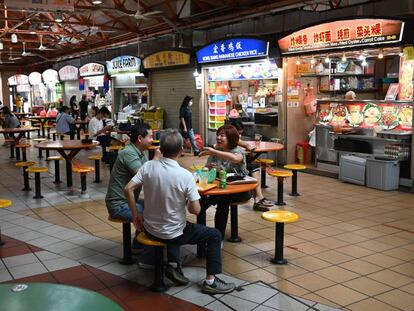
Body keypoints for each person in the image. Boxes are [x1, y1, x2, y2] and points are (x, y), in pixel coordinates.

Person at [124, 129, 235, 294]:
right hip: (174, 233)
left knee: (176, 224)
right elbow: (196, 210)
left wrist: (135, 215)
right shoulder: (185, 176)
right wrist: (189, 201)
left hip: (149, 229)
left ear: (160, 148)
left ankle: (173, 265)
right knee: (214, 235)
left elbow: (128, 189)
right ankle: (211, 281)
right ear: (181, 150)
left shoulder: (148, 166)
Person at [199, 124, 252, 239]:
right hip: (221, 188)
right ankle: (210, 235)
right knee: (217, 198)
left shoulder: (238, 151)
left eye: (222, 136)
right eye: (218, 135)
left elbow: (235, 158)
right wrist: (208, 167)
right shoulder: (216, 151)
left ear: (231, 138)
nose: (218, 137)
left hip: (240, 191)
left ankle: (218, 238)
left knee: (222, 201)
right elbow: (206, 171)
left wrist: (214, 152)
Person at [227, 119, 273, 211]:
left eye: (240, 134)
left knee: (254, 166)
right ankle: (259, 198)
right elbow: (238, 150)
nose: (239, 136)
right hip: (229, 165)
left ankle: (258, 199)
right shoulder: (229, 137)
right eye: (238, 133)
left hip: (235, 163)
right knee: (254, 167)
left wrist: (246, 150)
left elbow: (243, 146)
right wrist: (245, 149)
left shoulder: (231, 137)